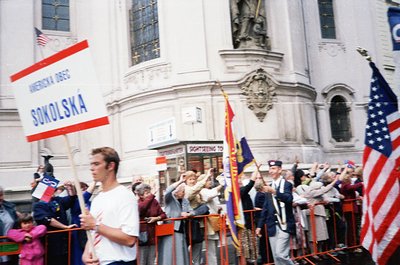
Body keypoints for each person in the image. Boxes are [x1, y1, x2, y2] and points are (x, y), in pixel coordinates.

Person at [80, 147, 139, 265]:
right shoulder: (97, 199)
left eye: (96, 164)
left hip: (118, 261)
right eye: (91, 164)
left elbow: (129, 239)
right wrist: (86, 253)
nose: (92, 168)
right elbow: (93, 233)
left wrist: (95, 225)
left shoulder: (125, 196)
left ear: (111, 166)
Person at [256, 160, 295, 265]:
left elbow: (288, 198)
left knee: (281, 254)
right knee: (276, 258)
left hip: (285, 225)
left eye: (273, 169)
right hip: (272, 225)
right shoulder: (269, 185)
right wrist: (259, 226)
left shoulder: (286, 184)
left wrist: (274, 192)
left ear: (280, 170)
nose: (271, 171)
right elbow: (265, 208)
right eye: (270, 169)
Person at [33, 181, 77, 265]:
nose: (53, 191)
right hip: (51, 243)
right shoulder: (38, 205)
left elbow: (71, 198)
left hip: (63, 242)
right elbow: (48, 220)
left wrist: (70, 187)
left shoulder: (57, 200)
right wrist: (65, 227)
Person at [158, 175, 192, 265]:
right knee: (169, 253)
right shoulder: (170, 199)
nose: (184, 193)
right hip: (171, 228)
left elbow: (191, 210)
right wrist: (180, 181)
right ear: (176, 192)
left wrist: (188, 214)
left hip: (181, 228)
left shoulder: (185, 200)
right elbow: (168, 191)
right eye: (182, 191)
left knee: (181, 251)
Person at [135, 183, 166, 265]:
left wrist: (156, 218)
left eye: (149, 192)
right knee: (142, 261)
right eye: (146, 193)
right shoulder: (138, 203)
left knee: (151, 261)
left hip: (153, 235)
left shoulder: (154, 201)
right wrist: (151, 196)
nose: (149, 194)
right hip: (143, 236)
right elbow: (141, 209)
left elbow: (163, 214)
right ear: (141, 195)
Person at [70, 181, 96, 265]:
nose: (85, 190)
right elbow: (86, 195)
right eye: (83, 188)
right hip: (79, 232)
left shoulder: (89, 202)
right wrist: (95, 182)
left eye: (86, 187)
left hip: (89, 231)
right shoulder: (76, 202)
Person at [200, 175, 224, 265]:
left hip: (213, 222)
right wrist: (221, 185)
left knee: (214, 247)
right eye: (207, 180)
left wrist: (217, 208)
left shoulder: (207, 191)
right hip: (209, 223)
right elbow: (210, 195)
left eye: (210, 180)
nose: (210, 182)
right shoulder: (202, 191)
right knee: (211, 250)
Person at [0, 186, 19, 265]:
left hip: (10, 246)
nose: (0, 198)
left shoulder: (10, 207)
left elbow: (17, 224)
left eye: (1, 195)